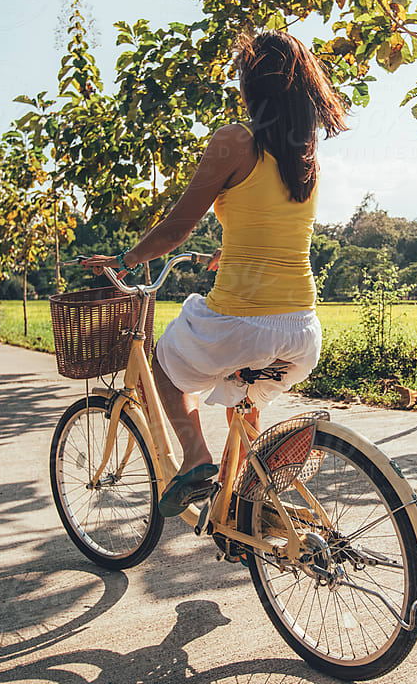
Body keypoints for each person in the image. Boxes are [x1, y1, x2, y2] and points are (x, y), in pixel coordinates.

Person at [82, 30, 347, 517]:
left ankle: (195, 459)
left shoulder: (233, 141)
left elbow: (175, 230)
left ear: (252, 87)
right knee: (242, 400)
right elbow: (276, 225)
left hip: (244, 321)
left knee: (161, 363)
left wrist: (123, 261)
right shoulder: (304, 155)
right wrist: (231, 253)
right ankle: (246, 504)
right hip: (302, 329)